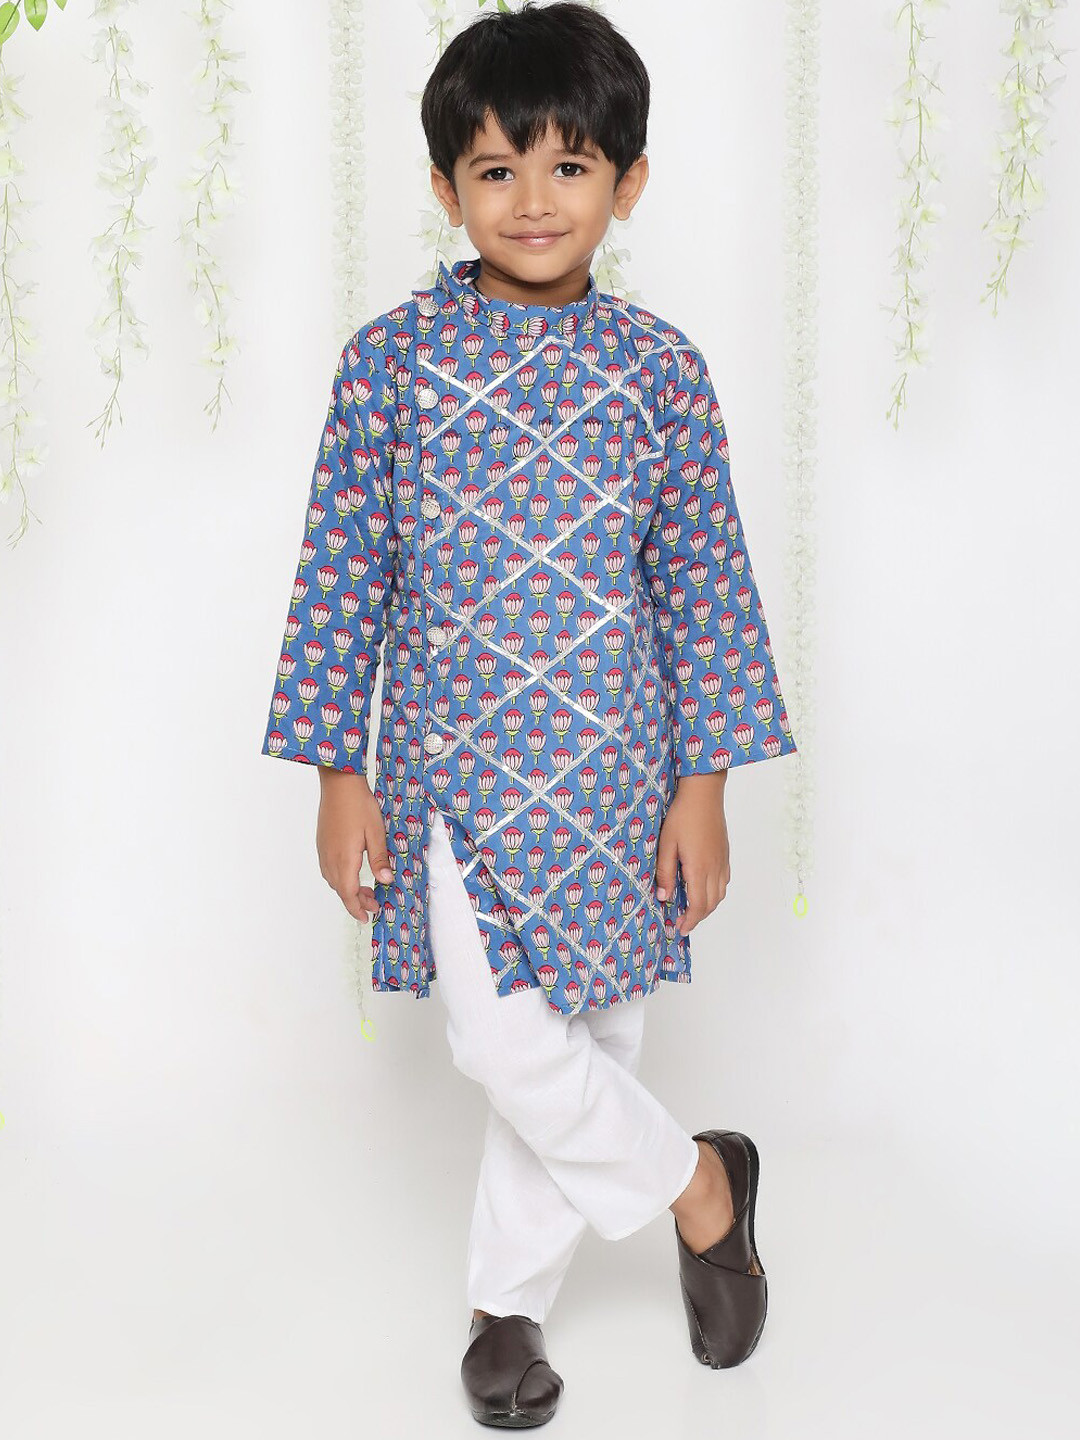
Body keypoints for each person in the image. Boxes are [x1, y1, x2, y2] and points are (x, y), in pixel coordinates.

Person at [261, 1, 797, 1426]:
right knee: (504, 1043)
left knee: (593, 1045)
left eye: (571, 166)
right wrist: (335, 773)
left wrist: (706, 785)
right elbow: (340, 573)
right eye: (497, 170)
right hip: (449, 778)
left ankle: (505, 1308)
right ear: (447, 189)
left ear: (630, 179)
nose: (536, 199)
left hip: (620, 775)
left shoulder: (661, 371)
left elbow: (705, 584)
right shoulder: (389, 364)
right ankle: (703, 1186)